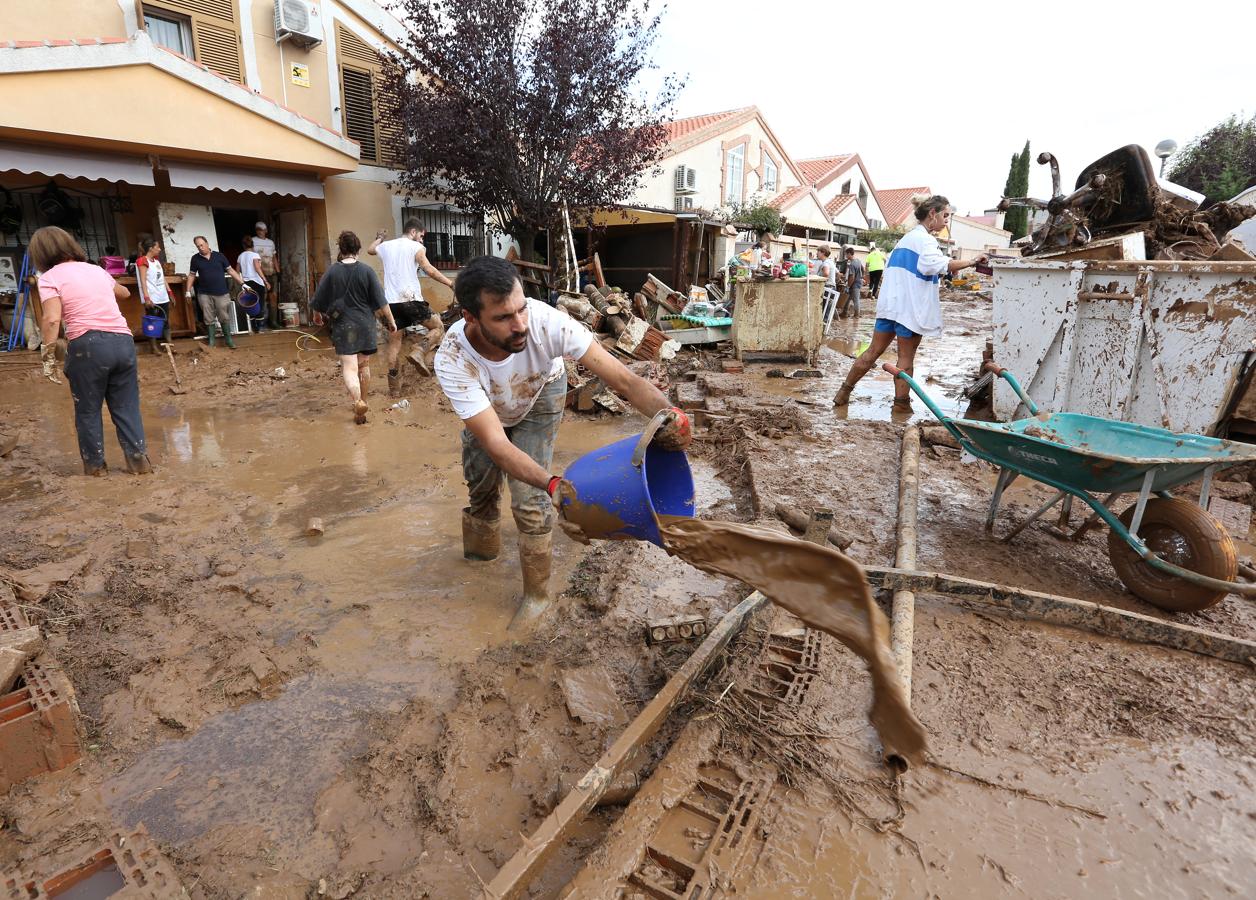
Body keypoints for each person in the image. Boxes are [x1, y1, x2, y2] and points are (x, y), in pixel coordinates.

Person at [434, 255, 691, 627]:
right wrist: (551, 480)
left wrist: (671, 415)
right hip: (488, 408)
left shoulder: (547, 324)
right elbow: (497, 444)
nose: (520, 324)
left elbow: (625, 381)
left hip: (540, 392)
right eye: (503, 318)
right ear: (471, 317)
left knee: (531, 501)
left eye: (521, 309)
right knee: (482, 487)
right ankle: (480, 558)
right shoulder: (454, 357)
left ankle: (536, 597)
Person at [833, 195, 987, 410]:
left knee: (872, 351)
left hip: (890, 307)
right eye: (945, 215)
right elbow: (938, 265)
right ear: (932, 213)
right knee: (905, 358)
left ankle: (843, 393)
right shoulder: (925, 240)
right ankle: (901, 405)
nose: (946, 221)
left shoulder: (905, 240)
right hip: (909, 309)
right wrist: (972, 261)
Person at [31, 226, 152, 476]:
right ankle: (138, 463)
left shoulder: (50, 278)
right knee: (126, 407)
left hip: (88, 347)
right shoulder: (97, 270)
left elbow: (52, 319)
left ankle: (96, 468)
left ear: (41, 254)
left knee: (87, 410)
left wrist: (47, 356)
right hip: (123, 342)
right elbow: (125, 292)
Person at [310, 230, 397, 424]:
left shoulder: (333, 271)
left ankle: (357, 401)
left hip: (344, 327)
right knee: (364, 365)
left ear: (341, 249)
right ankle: (363, 405)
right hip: (365, 324)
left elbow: (318, 300)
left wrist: (317, 316)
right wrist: (391, 321)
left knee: (350, 368)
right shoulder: (367, 270)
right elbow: (382, 302)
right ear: (358, 249)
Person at [367, 219, 453, 395]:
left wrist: (380, 238)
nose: (422, 240)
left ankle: (394, 390)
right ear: (413, 232)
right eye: (421, 236)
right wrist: (450, 283)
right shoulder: (416, 247)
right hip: (411, 301)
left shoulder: (386, 246)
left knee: (394, 342)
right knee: (438, 327)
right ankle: (419, 351)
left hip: (390, 305)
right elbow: (428, 269)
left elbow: (370, 250)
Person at [186, 236, 244, 349]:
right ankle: (212, 342)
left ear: (207, 243)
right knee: (208, 317)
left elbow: (230, 270)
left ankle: (228, 340)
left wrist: (242, 283)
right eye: (198, 246)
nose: (201, 248)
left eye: (202, 245)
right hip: (204, 293)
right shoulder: (195, 259)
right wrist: (188, 290)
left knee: (224, 316)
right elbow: (192, 275)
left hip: (221, 292)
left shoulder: (219, 256)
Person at [133, 238, 170, 354]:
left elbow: (162, 278)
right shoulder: (142, 261)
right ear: (151, 248)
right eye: (157, 247)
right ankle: (154, 348)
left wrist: (170, 292)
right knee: (152, 323)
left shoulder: (157, 261)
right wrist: (147, 298)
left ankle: (169, 345)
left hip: (162, 296)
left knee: (166, 321)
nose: (159, 249)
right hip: (152, 298)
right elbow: (143, 281)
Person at [236, 236, 271, 333]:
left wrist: (242, 282)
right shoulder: (255, 255)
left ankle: (252, 327)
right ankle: (259, 328)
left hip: (246, 284)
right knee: (260, 304)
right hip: (257, 283)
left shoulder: (240, 256)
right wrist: (265, 280)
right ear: (252, 244)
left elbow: (237, 271)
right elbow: (257, 268)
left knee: (250, 305)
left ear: (243, 245)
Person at [252, 221, 280, 327]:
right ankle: (260, 322)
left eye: (262, 229)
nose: (260, 231)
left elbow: (274, 258)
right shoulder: (253, 241)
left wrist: (278, 271)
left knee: (273, 297)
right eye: (258, 229)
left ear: (266, 231)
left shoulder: (271, 243)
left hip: (271, 273)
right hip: (259, 274)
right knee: (261, 298)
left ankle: (273, 322)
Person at [841, 247, 865, 317]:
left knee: (856, 300)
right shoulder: (858, 261)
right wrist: (861, 277)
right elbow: (863, 269)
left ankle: (857, 315)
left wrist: (848, 286)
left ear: (849, 254)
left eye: (846, 254)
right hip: (858, 282)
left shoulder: (852, 264)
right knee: (847, 298)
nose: (846, 256)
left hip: (854, 284)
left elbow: (852, 277)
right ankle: (845, 312)